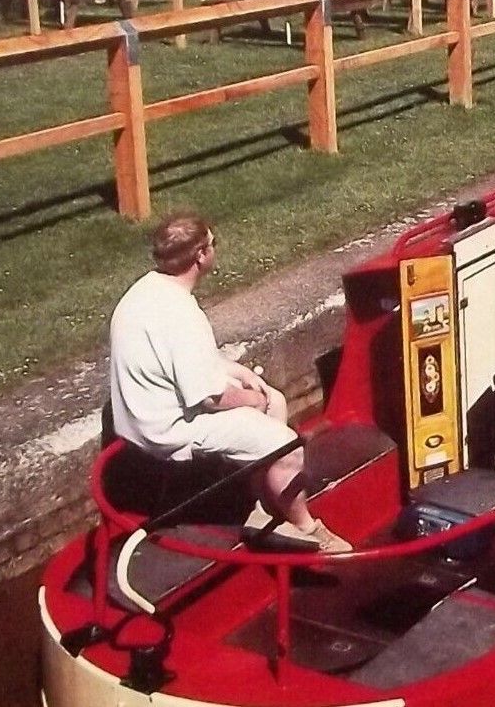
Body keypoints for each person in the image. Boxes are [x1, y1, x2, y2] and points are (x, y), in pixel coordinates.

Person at [109, 212, 350, 553]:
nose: (215, 249)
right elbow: (210, 399)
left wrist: (241, 374)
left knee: (276, 400)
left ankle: (262, 502)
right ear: (201, 255)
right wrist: (253, 400)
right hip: (168, 429)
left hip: (144, 414)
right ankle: (306, 526)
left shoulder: (145, 293)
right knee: (286, 444)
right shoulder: (182, 315)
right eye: (213, 243)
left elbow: (181, 361)